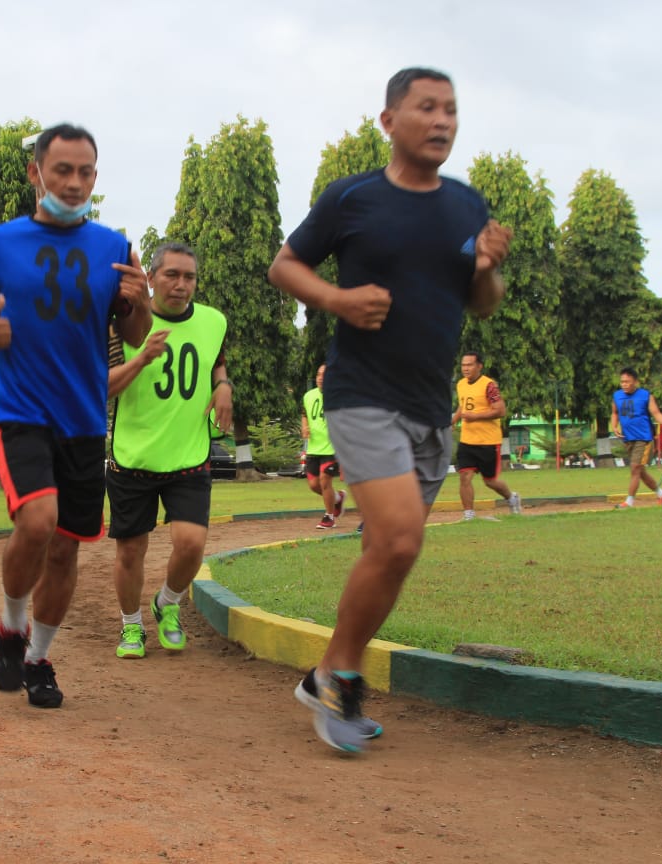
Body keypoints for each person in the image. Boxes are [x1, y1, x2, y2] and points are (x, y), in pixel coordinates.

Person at [268, 67, 512, 752]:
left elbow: (481, 302)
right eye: (426, 108)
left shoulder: (468, 205)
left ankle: (324, 673)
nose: (442, 121)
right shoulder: (353, 199)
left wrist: (488, 267)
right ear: (389, 120)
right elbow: (285, 265)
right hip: (360, 394)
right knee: (403, 537)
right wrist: (337, 301)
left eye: (452, 110)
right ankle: (342, 676)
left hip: (430, 405)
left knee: (388, 550)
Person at [0, 124, 152, 709]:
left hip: (85, 419)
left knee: (66, 549)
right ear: (36, 174)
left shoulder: (115, 248)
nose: (75, 181)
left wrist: (138, 303)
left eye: (86, 171)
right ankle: (11, 625)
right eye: (62, 170)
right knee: (37, 522)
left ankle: (38, 658)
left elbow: (130, 332)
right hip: (19, 410)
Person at [106, 242, 232, 660]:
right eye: (171, 275)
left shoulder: (214, 321)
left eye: (189, 277)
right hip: (133, 459)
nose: (181, 285)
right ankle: (131, 627)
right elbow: (103, 387)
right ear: (151, 279)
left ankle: (167, 604)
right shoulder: (121, 327)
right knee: (130, 551)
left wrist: (223, 386)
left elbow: (216, 359)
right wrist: (142, 359)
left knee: (192, 542)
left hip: (189, 456)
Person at [451, 351, 520, 520]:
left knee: (490, 481)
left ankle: (512, 498)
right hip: (467, 440)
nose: (465, 368)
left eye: (469, 365)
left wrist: (475, 416)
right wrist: (453, 421)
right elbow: (463, 406)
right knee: (464, 476)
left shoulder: (489, 385)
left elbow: (500, 410)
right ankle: (469, 515)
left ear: (479, 366)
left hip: (488, 441)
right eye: (463, 365)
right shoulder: (460, 384)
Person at [609, 367, 662, 507]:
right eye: (622, 382)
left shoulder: (646, 396)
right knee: (639, 471)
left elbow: (656, 413)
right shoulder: (617, 396)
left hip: (643, 438)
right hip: (628, 438)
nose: (624, 384)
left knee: (634, 468)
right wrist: (614, 426)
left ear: (635, 382)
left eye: (627, 381)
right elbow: (614, 413)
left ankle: (629, 502)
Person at [301, 365, 347, 529]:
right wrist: (304, 426)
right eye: (318, 374)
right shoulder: (308, 396)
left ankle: (329, 517)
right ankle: (338, 499)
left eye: (324, 375)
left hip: (332, 448)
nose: (320, 378)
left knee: (324, 481)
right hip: (314, 448)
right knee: (314, 485)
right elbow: (305, 414)